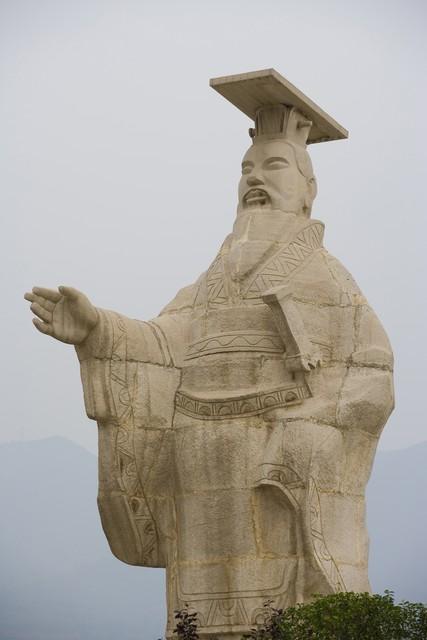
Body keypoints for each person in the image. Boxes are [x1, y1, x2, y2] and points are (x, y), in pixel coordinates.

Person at [25, 70, 394, 639]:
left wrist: (308, 429)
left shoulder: (328, 280)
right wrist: (98, 329)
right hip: (199, 460)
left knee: (286, 615)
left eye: (274, 166)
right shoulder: (210, 282)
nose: (255, 178)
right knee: (196, 616)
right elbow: (163, 343)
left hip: (276, 463)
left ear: (308, 190)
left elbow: (372, 375)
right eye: (246, 169)